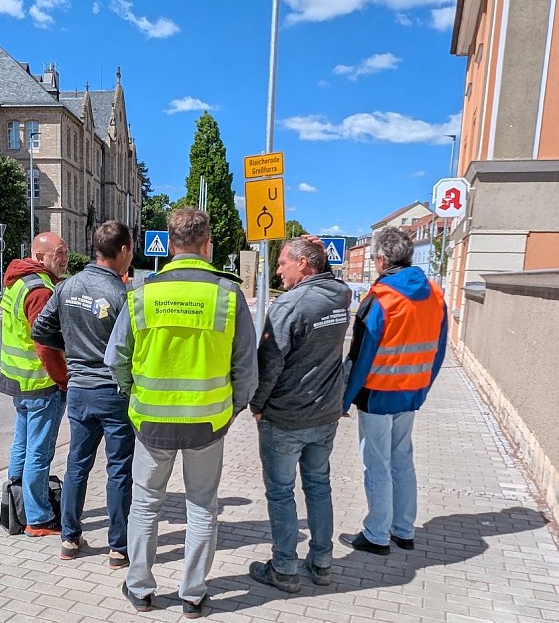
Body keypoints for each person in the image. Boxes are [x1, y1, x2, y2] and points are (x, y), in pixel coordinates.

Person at [105, 208, 257, 619]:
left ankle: (140, 589)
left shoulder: (142, 293)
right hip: (207, 423)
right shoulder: (228, 295)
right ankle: (193, 594)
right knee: (202, 506)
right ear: (207, 245)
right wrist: (232, 409)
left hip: (151, 422)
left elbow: (114, 357)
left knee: (146, 505)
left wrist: (132, 395)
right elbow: (246, 368)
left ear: (170, 246)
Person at [247, 238, 352, 592]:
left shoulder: (290, 305)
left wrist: (256, 405)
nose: (278, 271)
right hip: (326, 413)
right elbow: (334, 280)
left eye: (282, 264)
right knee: (319, 487)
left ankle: (285, 569)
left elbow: (269, 363)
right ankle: (322, 563)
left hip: (287, 416)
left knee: (281, 492)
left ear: (304, 264)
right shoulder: (340, 295)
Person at [31, 221, 136, 568]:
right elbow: (133, 348)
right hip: (113, 391)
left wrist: (74, 350)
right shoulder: (123, 296)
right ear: (121, 251)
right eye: (131, 249)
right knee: (119, 469)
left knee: (77, 464)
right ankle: (118, 548)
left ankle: (69, 539)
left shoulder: (66, 287)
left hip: (79, 390)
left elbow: (40, 329)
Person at [339, 226, 448, 555]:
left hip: (378, 393)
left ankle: (376, 534)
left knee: (377, 464)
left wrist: (345, 398)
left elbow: (361, 356)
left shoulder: (381, 297)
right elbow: (441, 349)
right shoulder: (434, 293)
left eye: (373, 257)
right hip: (411, 392)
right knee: (402, 459)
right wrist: (424, 388)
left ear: (382, 259)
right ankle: (403, 529)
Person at [0, 232, 69, 537]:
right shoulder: (40, 290)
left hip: (19, 381)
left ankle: (16, 503)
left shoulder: (19, 281)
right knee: (39, 452)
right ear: (40, 257)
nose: (64, 258)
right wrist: (63, 379)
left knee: (22, 445)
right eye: (59, 253)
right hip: (41, 384)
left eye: (65, 252)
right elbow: (46, 345)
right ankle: (38, 518)